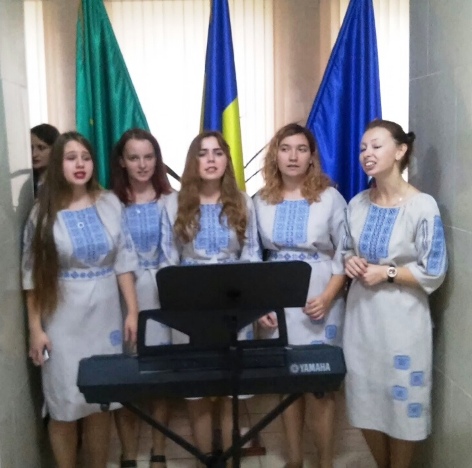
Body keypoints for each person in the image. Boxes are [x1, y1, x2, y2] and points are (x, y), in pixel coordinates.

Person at [22, 132, 139, 468]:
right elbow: (32, 275)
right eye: (71, 158)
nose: (79, 164)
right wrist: (35, 329)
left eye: (85, 157)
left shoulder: (109, 203)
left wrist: (132, 311)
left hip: (105, 315)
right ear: (58, 164)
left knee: (99, 403)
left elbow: (124, 261)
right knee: (64, 405)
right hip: (62, 318)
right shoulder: (43, 212)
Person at [343, 119, 447, 468]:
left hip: (403, 320)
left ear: (400, 150)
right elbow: (345, 249)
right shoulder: (357, 204)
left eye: (376, 146)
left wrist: (387, 272)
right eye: (363, 148)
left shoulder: (422, 206)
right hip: (361, 318)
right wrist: (351, 261)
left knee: (403, 404)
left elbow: (434, 270)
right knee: (365, 399)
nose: (367, 154)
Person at [160, 131, 261, 460]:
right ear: (193, 161)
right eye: (203, 153)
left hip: (235, 304)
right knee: (198, 389)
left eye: (218, 153)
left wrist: (253, 303)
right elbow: (168, 260)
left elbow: (252, 254)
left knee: (232, 389)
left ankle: (230, 460)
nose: (211, 159)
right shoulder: (174, 203)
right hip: (191, 308)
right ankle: (204, 459)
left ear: (226, 160)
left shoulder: (243, 202)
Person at [253, 123, 346, 468]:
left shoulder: (329, 198)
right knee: (288, 383)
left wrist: (328, 296)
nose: (293, 156)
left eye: (301, 149)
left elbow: (345, 251)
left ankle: (324, 461)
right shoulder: (260, 201)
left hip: (321, 298)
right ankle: (294, 459)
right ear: (275, 156)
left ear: (311, 157)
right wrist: (261, 304)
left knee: (319, 385)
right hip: (277, 301)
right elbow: (252, 256)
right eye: (285, 148)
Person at [110, 128, 172, 468]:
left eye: (149, 157)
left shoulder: (170, 199)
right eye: (134, 158)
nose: (142, 164)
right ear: (122, 161)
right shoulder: (109, 202)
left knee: (160, 374)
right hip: (121, 297)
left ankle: (158, 449)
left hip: (162, 296)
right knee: (126, 375)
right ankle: (128, 452)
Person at [30, 123, 60, 195]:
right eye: (31, 148)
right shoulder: (29, 183)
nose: (34, 154)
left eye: (41, 148)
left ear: (55, 149)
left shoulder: (64, 182)